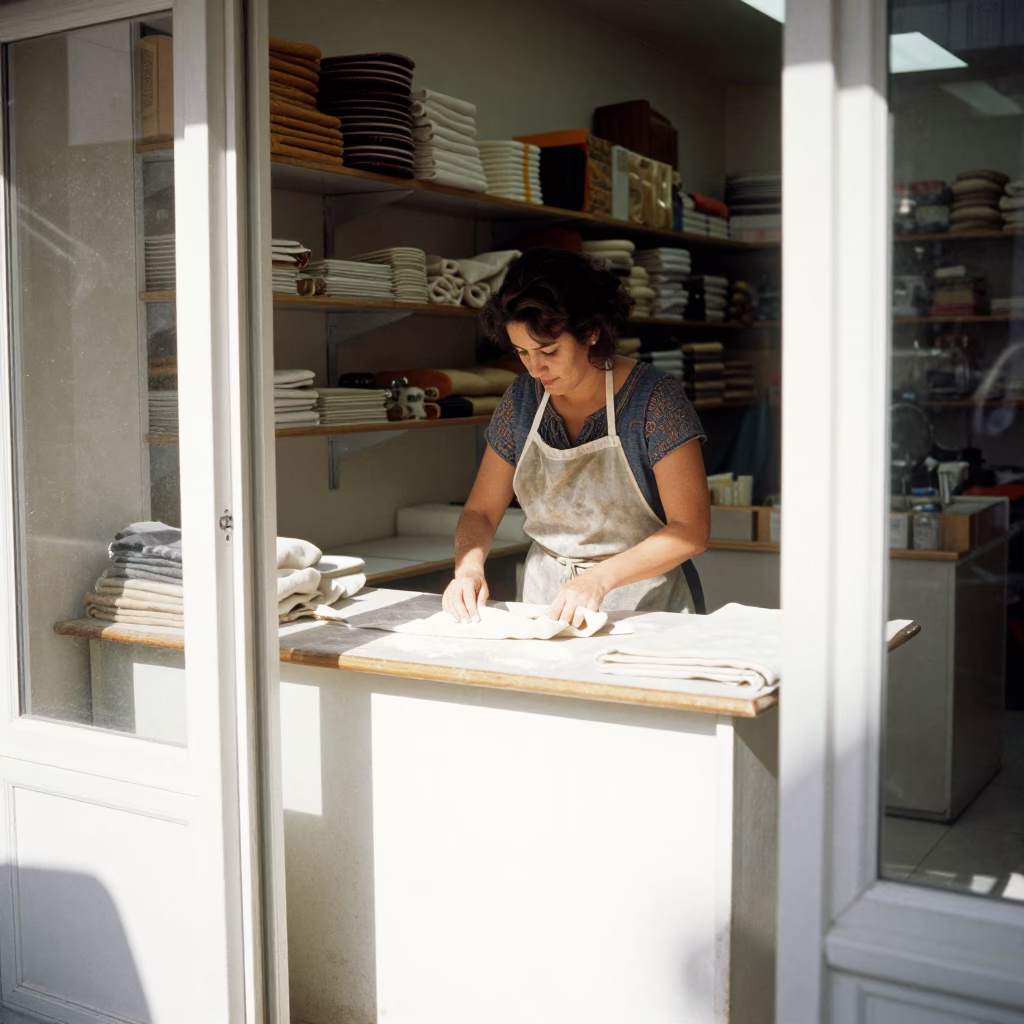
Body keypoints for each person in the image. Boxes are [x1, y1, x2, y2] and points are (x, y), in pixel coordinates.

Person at [442, 247, 710, 626]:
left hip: (644, 608)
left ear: (591, 332)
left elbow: (691, 531)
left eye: (549, 351)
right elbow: (481, 511)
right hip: (545, 605)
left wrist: (598, 580)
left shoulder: (654, 400)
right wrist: (468, 568)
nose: (535, 368)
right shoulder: (522, 400)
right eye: (522, 352)